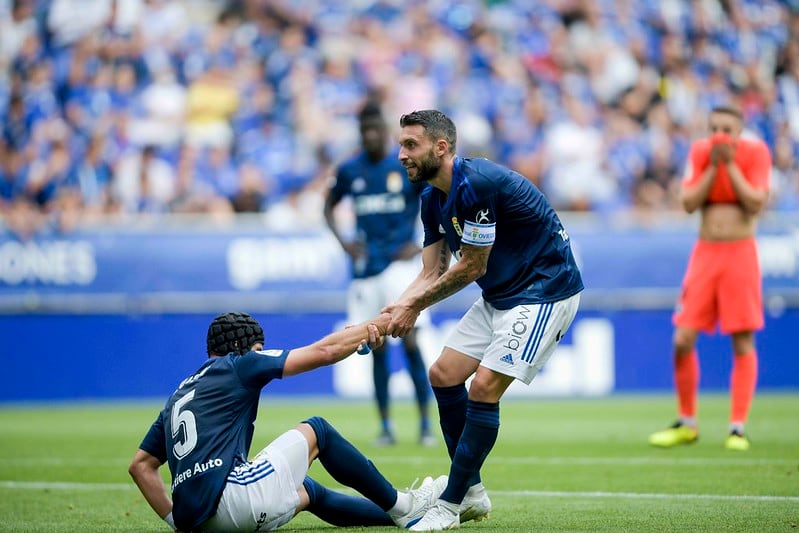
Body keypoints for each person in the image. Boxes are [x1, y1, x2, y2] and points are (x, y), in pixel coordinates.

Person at [384, 109, 584, 531]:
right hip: (502, 294)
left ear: (441, 148)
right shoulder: (431, 199)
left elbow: (472, 266)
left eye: (410, 145)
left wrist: (413, 308)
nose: (401, 154)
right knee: (442, 374)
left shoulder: (477, 185)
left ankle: (450, 504)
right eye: (401, 144)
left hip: (545, 292)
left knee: (484, 387)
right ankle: (471, 493)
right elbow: (431, 271)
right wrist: (391, 310)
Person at [128, 311, 447, 532]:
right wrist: (384, 322)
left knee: (307, 490)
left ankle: (410, 517)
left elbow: (140, 466)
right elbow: (324, 351)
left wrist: (177, 523)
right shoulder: (239, 364)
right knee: (317, 431)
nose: (259, 354)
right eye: (257, 350)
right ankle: (405, 505)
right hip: (235, 500)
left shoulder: (179, 395)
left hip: (199, 522)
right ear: (241, 348)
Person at [648, 106, 771, 452]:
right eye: (714, 127)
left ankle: (737, 428)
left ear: (740, 130)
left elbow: (755, 202)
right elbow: (688, 202)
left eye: (727, 129)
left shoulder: (756, 153)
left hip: (740, 254)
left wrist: (729, 163)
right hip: (705, 253)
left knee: (742, 341)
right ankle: (687, 422)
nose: (720, 135)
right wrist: (714, 164)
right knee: (682, 338)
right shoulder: (701, 153)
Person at [324, 100, 435, 447]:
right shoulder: (349, 170)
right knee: (377, 344)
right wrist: (344, 242)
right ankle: (386, 425)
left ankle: (425, 424)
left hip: (401, 266)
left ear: (385, 133)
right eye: (365, 130)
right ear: (360, 133)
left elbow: (434, 197)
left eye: (376, 130)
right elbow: (328, 205)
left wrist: (421, 242)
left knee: (412, 340)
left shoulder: (403, 166)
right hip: (366, 269)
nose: (371, 135)